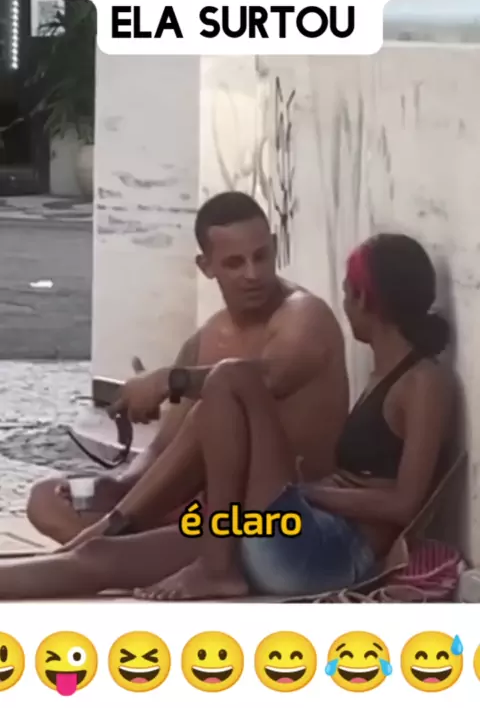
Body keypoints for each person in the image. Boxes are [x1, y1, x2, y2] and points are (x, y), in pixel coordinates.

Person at [0, 232, 453, 600]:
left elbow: (403, 504)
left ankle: (217, 568)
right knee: (99, 556)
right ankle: (174, 546)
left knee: (232, 377)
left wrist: (309, 493)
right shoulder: (381, 374)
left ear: (364, 299)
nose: (345, 305)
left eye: (348, 294)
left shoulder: (423, 382)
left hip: (326, 553)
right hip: (281, 529)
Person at [27, 190, 348, 546]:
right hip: (203, 512)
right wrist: (120, 486)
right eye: (235, 263)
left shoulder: (304, 315)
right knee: (45, 500)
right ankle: (112, 547)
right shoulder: (206, 338)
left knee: (211, 407)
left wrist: (169, 380)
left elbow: (267, 377)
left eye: (261, 256)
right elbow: (162, 448)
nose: (252, 273)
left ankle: (101, 549)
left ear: (274, 247)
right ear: (206, 266)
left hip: (279, 517)